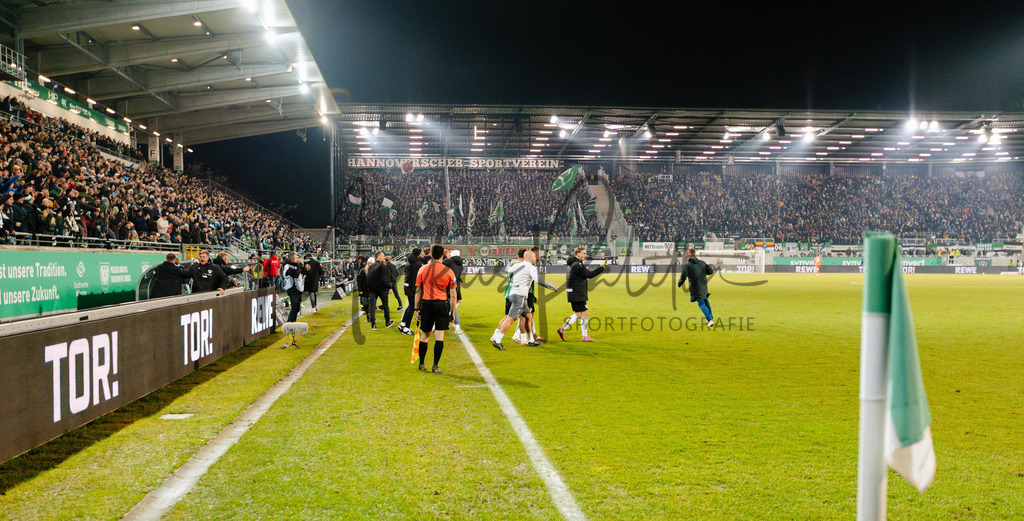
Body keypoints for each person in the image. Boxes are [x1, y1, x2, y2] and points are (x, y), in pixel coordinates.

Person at [489, 250, 557, 350]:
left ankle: (531, 340)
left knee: (528, 316)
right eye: (534, 257)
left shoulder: (517, 265)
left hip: (513, 294)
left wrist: (510, 263)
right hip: (520, 296)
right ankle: (497, 341)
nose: (535, 258)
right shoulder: (531, 268)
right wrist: (553, 287)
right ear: (530, 258)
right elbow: (539, 280)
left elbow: (508, 270)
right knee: (510, 319)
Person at [414, 243, 457, 373]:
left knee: (425, 335)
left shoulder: (422, 269)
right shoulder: (449, 271)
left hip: (427, 303)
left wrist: (416, 309)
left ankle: (421, 364)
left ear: (431, 255)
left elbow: (418, 291)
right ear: (443, 255)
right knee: (439, 336)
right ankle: (435, 366)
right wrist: (452, 312)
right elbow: (453, 295)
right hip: (441, 304)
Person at [557, 246, 604, 342]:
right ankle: (584, 336)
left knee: (578, 314)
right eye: (584, 253)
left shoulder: (572, 264)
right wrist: (601, 268)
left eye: (585, 253)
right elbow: (590, 275)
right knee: (585, 313)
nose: (585, 255)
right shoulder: (577, 265)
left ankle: (562, 329)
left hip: (573, 292)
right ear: (578, 254)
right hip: (577, 293)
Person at [677, 248, 715, 327]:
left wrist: (679, 283)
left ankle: (710, 319)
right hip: (704, 285)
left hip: (696, 287)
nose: (686, 254)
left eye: (687, 253)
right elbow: (710, 271)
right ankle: (710, 318)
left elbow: (683, 276)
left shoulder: (688, 265)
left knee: (701, 303)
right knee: (705, 300)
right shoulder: (702, 262)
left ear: (690, 254)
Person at [399, 248, 424, 335]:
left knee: (411, 306)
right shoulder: (418, 264)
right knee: (413, 307)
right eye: (421, 253)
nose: (422, 254)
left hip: (408, 286)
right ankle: (406, 328)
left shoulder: (410, 262)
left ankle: (403, 324)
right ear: (418, 254)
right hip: (413, 287)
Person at [366, 252, 393, 330]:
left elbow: (368, 278)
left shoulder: (371, 266)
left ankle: (373, 324)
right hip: (382, 289)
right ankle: (387, 322)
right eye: (383, 256)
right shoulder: (383, 266)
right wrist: (389, 287)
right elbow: (385, 279)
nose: (384, 257)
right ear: (379, 257)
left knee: (372, 307)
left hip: (372, 290)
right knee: (385, 305)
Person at [442, 248, 465, 335]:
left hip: (449, 285)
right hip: (457, 284)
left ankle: (457, 327)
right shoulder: (460, 263)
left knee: (451, 304)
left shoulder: (448, 261)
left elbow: (439, 267)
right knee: (458, 301)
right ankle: (449, 312)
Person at [281, 253, 303, 322]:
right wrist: (299, 266)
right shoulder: (287, 266)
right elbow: (296, 274)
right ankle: (290, 322)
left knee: (297, 308)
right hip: (292, 289)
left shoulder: (294, 266)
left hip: (298, 288)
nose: (298, 259)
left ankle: (292, 321)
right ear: (291, 259)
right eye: (296, 258)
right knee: (295, 307)